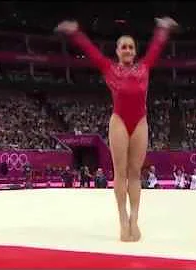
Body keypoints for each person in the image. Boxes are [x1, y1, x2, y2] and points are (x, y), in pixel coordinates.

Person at [55, 17, 178, 242]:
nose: (128, 50)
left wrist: (163, 28)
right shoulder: (108, 67)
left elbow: (156, 47)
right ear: (117, 51)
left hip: (140, 121)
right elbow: (90, 51)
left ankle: (135, 219)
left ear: (135, 51)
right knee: (120, 172)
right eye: (124, 47)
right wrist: (75, 33)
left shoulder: (145, 66)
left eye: (131, 47)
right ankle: (122, 219)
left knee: (135, 173)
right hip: (119, 121)